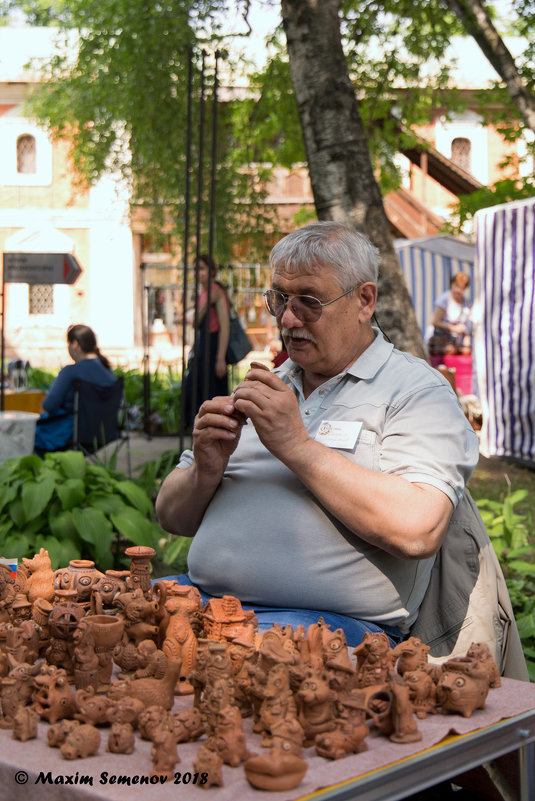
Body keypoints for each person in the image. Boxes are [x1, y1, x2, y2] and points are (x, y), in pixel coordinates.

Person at [155, 222, 480, 648]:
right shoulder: (266, 385)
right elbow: (170, 516)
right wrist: (204, 470)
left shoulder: (415, 390)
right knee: (93, 624)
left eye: (309, 301)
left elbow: (417, 528)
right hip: (204, 601)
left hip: (328, 628)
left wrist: (297, 447)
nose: (288, 319)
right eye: (279, 299)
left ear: (364, 300)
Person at [34, 324, 116, 454]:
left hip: (72, 434)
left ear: (75, 344)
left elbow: (49, 405)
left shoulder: (71, 372)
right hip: (105, 434)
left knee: (27, 435)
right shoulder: (109, 373)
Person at [183, 254, 230, 427]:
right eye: (195, 269)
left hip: (214, 345)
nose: (198, 273)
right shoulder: (204, 293)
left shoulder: (216, 291)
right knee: (194, 390)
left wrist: (220, 358)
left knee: (211, 392)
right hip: (202, 345)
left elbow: (225, 327)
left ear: (212, 271)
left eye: (201, 268)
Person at [427, 272, 472, 356]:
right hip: (439, 340)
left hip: (455, 341)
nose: (458, 290)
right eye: (456, 286)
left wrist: (467, 340)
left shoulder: (466, 303)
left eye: (461, 288)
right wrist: (453, 328)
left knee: (466, 351)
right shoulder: (444, 300)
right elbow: (434, 321)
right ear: (452, 284)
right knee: (450, 350)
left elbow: (468, 325)